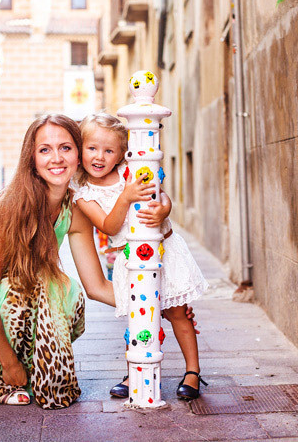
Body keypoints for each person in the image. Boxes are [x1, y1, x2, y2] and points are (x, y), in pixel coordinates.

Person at [0, 114, 114, 409]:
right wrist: (11, 364)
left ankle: (27, 370)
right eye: (45, 150)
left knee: (69, 293)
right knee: (26, 288)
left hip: (11, 296)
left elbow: (96, 286)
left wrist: (157, 306)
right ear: (32, 158)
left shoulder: (75, 210)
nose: (56, 158)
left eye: (66, 148)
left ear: (78, 154)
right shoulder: (10, 206)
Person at [73, 113, 210, 400]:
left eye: (109, 150)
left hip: (165, 251)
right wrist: (125, 197)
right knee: (138, 317)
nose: (99, 156)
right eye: (92, 148)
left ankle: (193, 372)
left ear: (121, 153)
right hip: (132, 260)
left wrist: (164, 209)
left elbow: (161, 196)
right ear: (80, 148)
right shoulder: (83, 193)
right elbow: (108, 226)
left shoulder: (131, 171)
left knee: (178, 313)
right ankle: (134, 369)